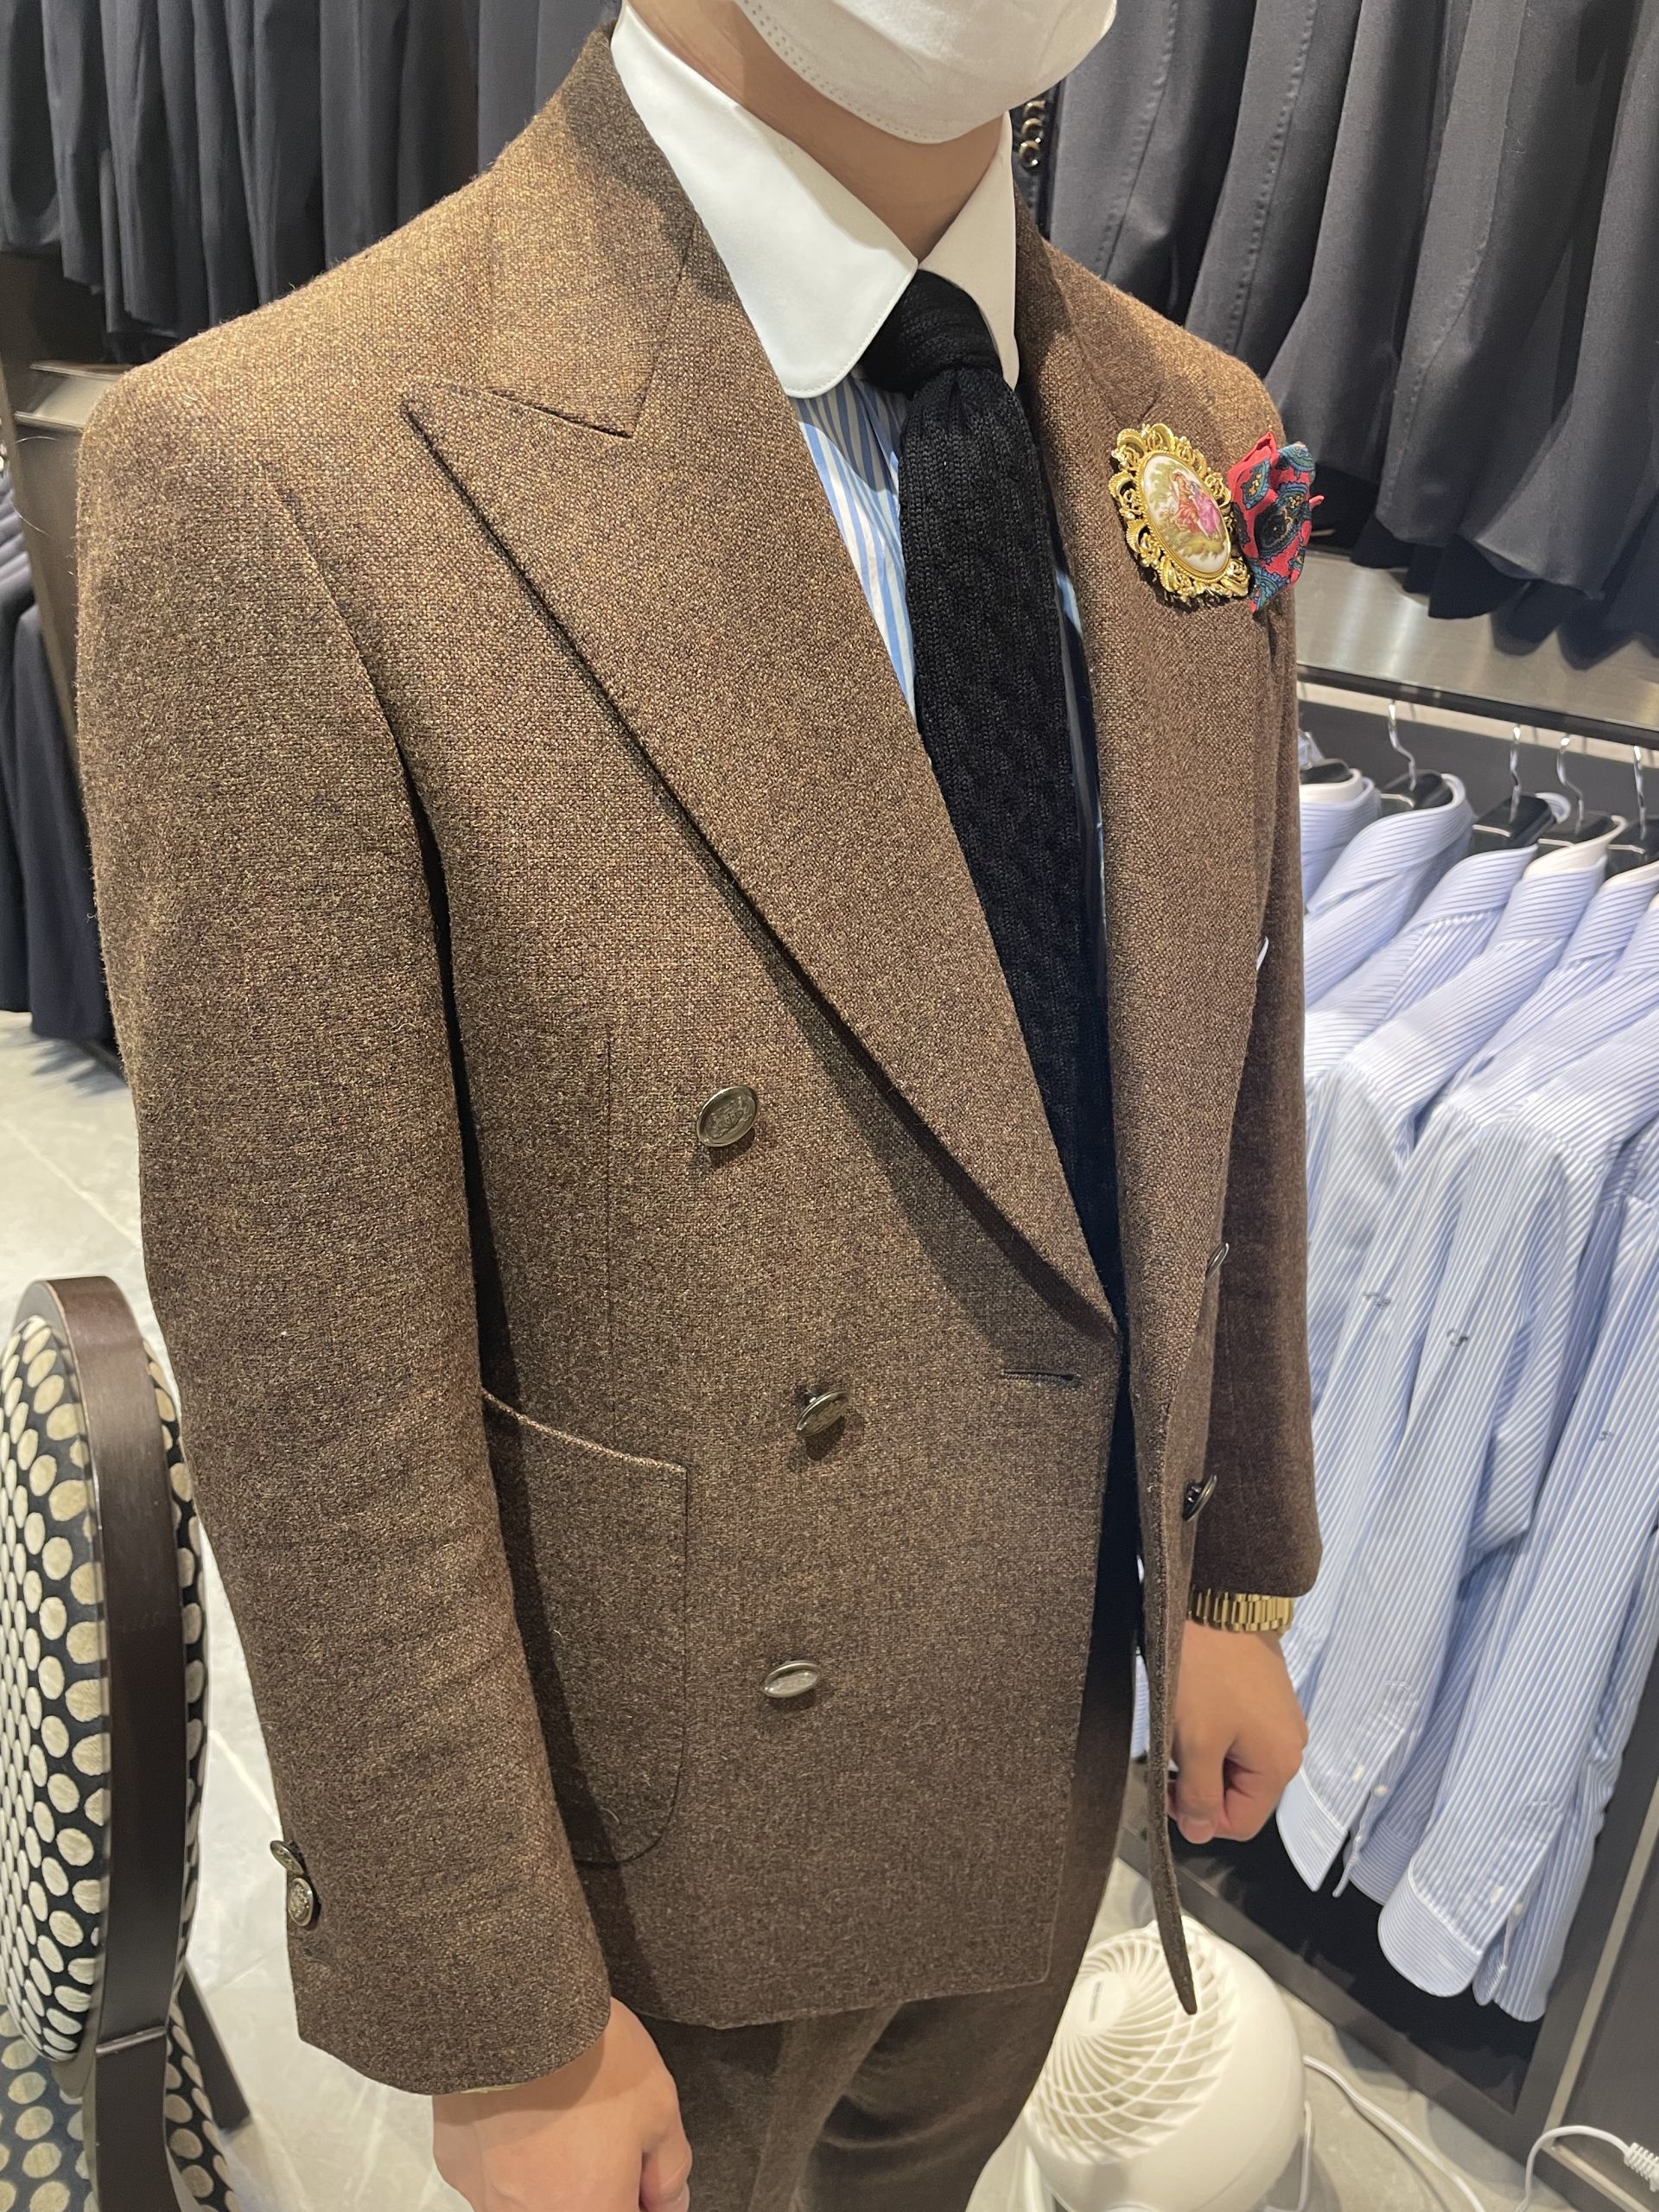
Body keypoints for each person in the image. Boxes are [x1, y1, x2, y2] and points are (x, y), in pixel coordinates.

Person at [73, 2, 1319, 2207]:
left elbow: (1227, 1058)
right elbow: (312, 1362)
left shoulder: (1189, 420)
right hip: (656, 1871)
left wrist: (1229, 1576)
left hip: (1054, 1730)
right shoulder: (279, 458)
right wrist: (497, 2006)